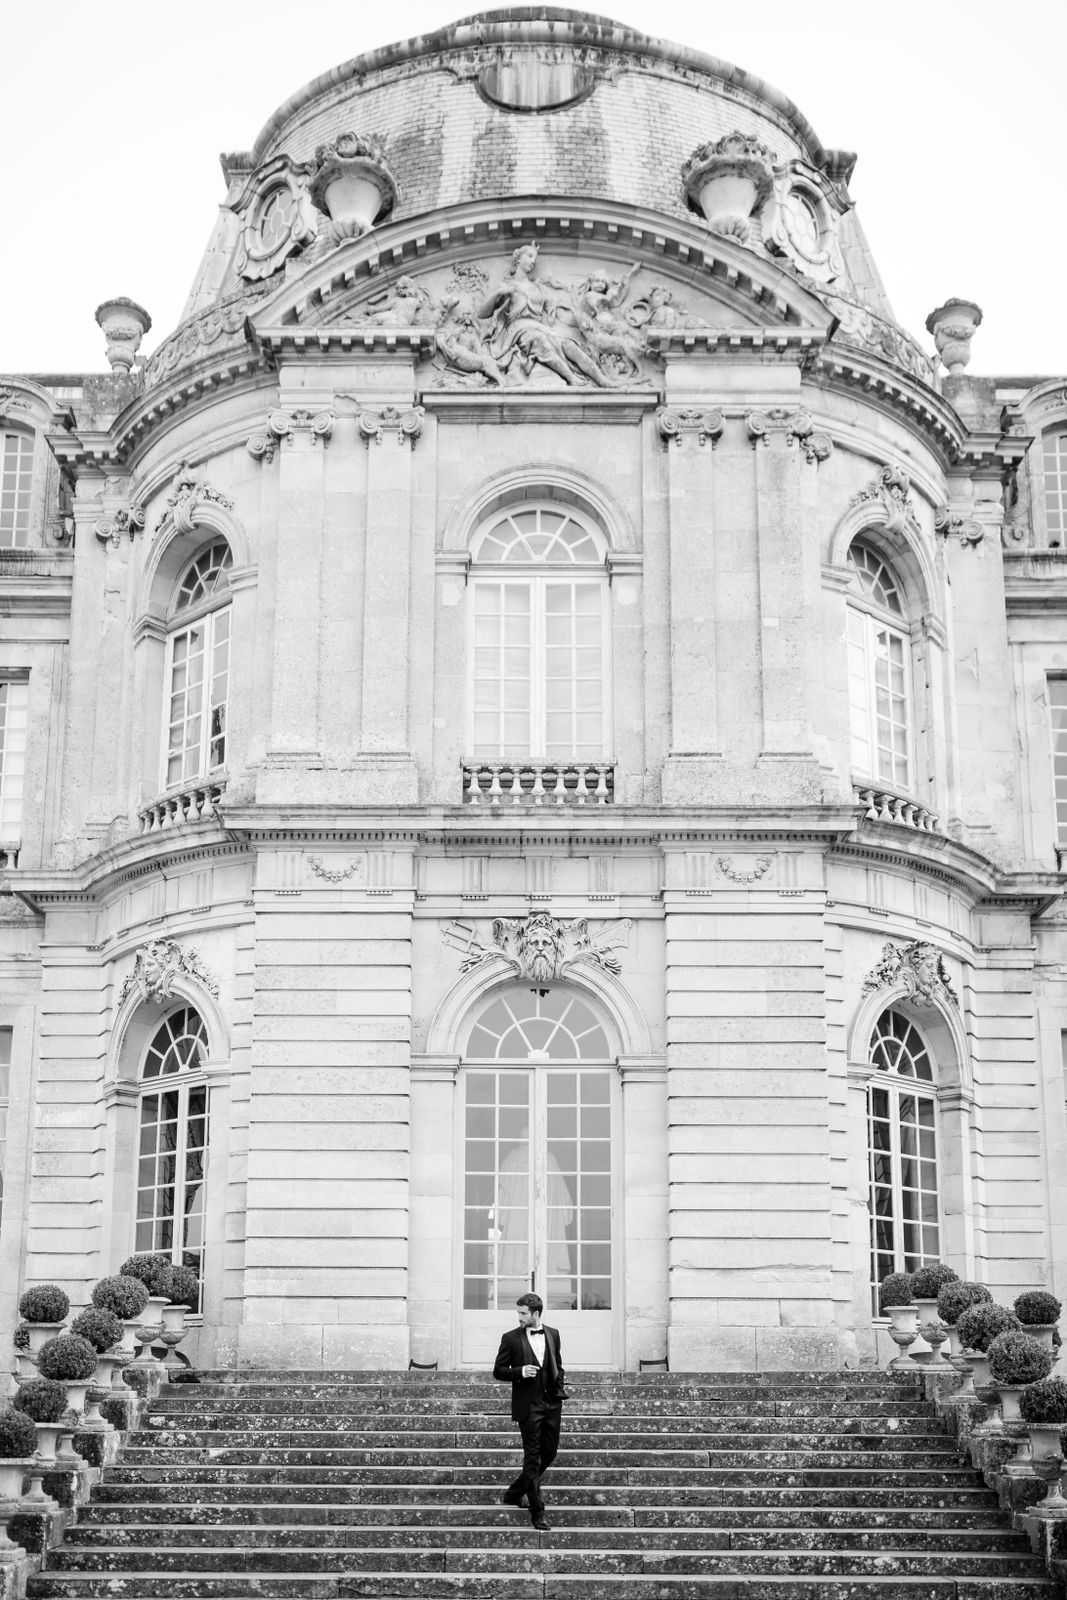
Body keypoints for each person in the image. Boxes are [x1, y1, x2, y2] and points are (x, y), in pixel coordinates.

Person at [492, 1292, 568, 1530]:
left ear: (536, 1313)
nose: (519, 1317)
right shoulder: (510, 1338)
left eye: (523, 1313)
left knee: (550, 1452)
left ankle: (515, 1491)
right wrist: (520, 1371)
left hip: (552, 1404)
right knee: (532, 1458)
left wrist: (559, 1386)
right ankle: (538, 1512)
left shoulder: (553, 1334)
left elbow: (558, 1363)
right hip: (528, 1406)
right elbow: (498, 1370)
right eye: (518, 1312)